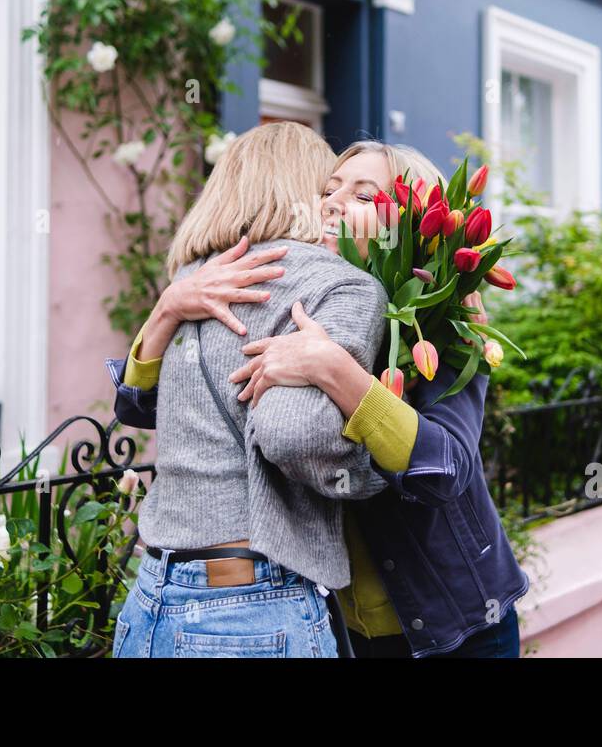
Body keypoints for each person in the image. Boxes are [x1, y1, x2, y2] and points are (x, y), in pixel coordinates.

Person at [110, 139, 529, 658]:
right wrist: (167, 308)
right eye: (328, 191)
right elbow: (146, 410)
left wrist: (334, 370)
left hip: (458, 624)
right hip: (344, 628)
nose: (332, 202)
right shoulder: (306, 303)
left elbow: (444, 469)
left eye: (362, 195)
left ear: (413, 220)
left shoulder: (440, 332)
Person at [105, 122, 389, 658]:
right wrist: (376, 478)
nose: (332, 201)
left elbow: (141, 405)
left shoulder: (194, 279)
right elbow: (290, 436)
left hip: (149, 599)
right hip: (251, 605)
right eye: (327, 186)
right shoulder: (336, 283)